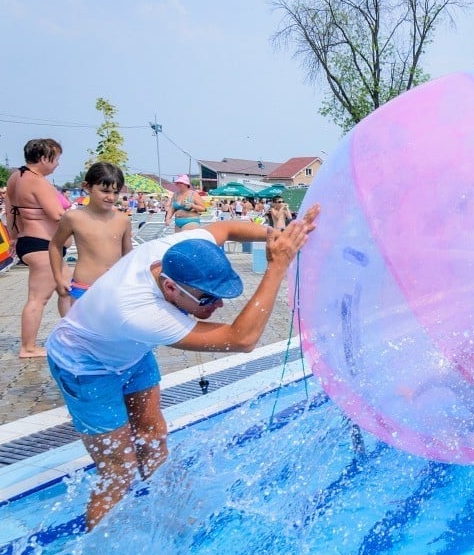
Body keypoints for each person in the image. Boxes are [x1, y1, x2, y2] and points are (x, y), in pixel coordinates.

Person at [45, 204, 320, 530]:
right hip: (84, 364)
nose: (217, 306)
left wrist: (282, 236)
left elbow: (227, 229)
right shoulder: (140, 312)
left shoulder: (179, 250)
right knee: (118, 470)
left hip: (130, 351)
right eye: (207, 299)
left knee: (153, 437)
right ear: (171, 287)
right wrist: (278, 265)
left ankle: (165, 516)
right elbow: (242, 339)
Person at [4, 138, 71, 357]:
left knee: (68, 289)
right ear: (44, 158)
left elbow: (10, 212)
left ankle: (73, 336)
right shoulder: (38, 181)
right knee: (38, 298)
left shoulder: (16, 177)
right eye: (56, 159)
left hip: (29, 241)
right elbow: (57, 214)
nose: (58, 164)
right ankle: (29, 347)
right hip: (42, 245)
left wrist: (14, 238)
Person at [49, 162, 132, 306]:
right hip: (84, 288)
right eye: (105, 191)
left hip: (115, 288)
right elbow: (55, 246)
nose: (111, 197)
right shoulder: (73, 217)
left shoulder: (123, 220)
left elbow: (129, 256)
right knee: (83, 328)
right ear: (87, 187)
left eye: (116, 192)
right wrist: (58, 277)